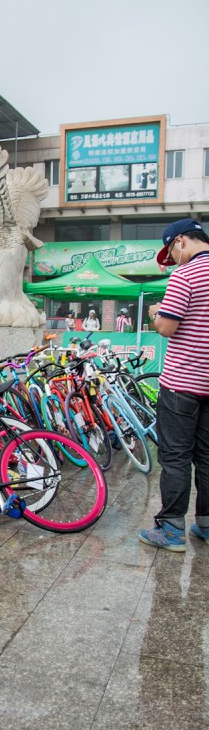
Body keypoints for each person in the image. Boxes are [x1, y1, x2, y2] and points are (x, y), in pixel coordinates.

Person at [139, 218, 209, 551]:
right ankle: (207, 524)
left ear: (180, 241)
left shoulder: (186, 274)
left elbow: (167, 327)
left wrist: (155, 312)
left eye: (171, 251)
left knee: (176, 457)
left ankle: (170, 529)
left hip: (183, 383)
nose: (173, 258)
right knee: (207, 457)